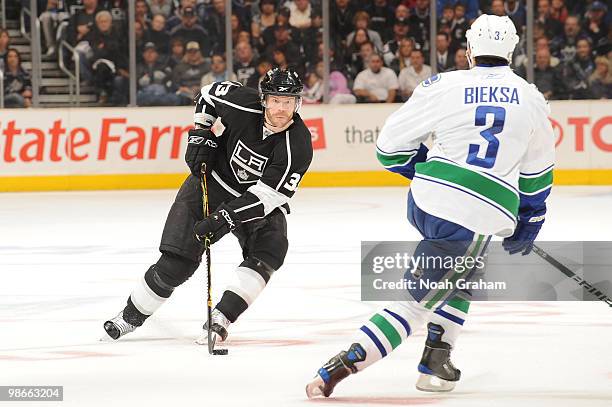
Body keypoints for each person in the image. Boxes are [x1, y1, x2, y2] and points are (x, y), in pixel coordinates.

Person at [306, 14, 555, 398]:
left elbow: (389, 149)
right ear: (513, 50)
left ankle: (437, 357)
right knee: (415, 303)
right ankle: (339, 367)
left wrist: (428, 172)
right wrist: (531, 219)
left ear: (470, 50)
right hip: (472, 214)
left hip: (427, 203)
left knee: (463, 270)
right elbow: (537, 174)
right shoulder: (531, 97)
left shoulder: (444, 85)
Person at [103, 69, 313, 352]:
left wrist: (225, 217)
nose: (281, 109)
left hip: (251, 201)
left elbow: (267, 196)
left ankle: (222, 316)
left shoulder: (297, 145)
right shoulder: (241, 102)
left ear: (297, 104)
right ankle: (130, 317)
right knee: (177, 263)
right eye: (275, 100)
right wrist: (202, 130)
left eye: (288, 102)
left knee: (270, 248)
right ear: (263, 99)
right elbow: (207, 94)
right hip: (209, 185)